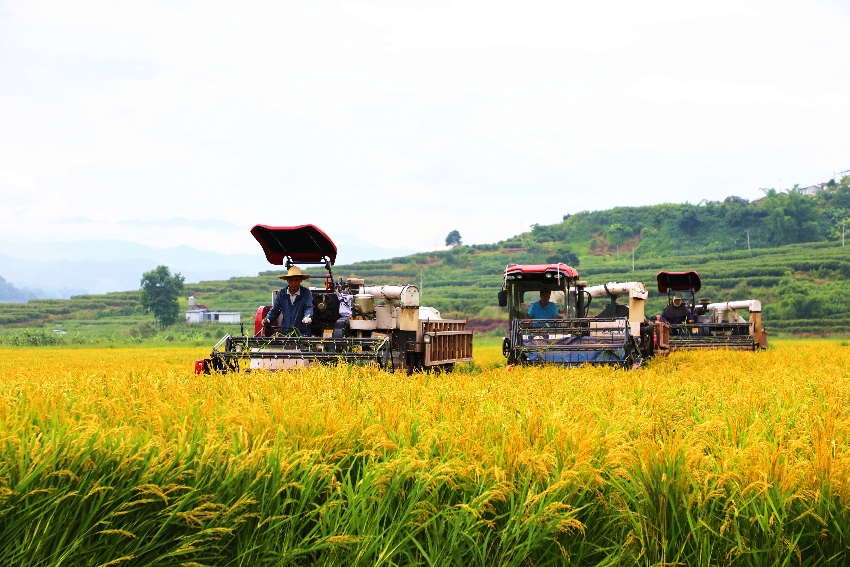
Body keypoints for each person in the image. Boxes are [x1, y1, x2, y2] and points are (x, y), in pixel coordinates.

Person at [262, 266, 314, 335]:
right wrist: (268, 319)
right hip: (284, 332)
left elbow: (309, 307)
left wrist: (307, 317)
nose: (294, 283)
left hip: (301, 333)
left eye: (296, 280)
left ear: (300, 280)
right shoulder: (281, 294)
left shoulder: (306, 293)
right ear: (287, 280)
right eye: (291, 280)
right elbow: (275, 310)